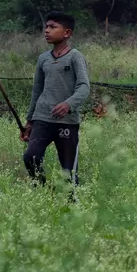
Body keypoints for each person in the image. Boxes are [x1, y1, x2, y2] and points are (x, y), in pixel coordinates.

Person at [22, 12, 91, 194]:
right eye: (46, 27)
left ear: (67, 33)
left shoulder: (75, 57)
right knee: (30, 157)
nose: (47, 31)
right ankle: (44, 192)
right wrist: (29, 121)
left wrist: (68, 104)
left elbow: (84, 87)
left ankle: (72, 206)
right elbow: (37, 90)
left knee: (69, 172)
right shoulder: (43, 59)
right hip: (42, 119)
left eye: (53, 27)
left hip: (67, 122)